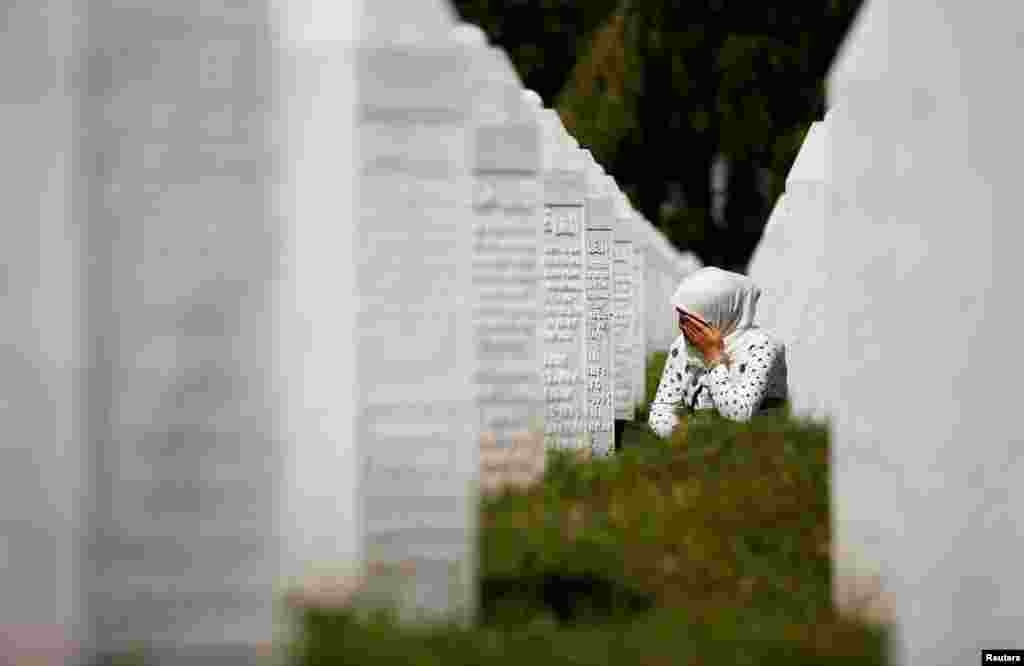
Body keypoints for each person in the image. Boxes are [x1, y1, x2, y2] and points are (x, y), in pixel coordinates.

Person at [648, 267, 788, 438]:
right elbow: (661, 408)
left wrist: (714, 356)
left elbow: (738, 415)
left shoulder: (762, 347)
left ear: (720, 313)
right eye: (681, 318)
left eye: (693, 322)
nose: (683, 327)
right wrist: (681, 434)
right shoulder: (682, 346)